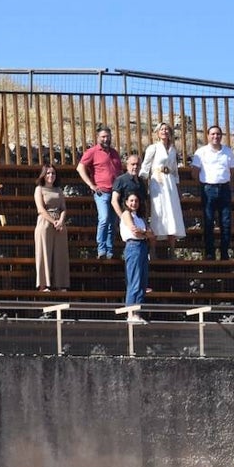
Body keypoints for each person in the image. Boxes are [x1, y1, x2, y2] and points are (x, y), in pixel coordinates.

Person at [190, 124, 234, 260]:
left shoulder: (228, 151)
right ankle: (210, 253)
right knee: (208, 221)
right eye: (213, 134)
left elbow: (232, 170)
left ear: (221, 136)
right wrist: (205, 182)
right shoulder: (201, 152)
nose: (215, 136)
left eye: (218, 134)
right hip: (208, 189)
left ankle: (224, 253)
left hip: (224, 189)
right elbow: (194, 172)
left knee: (226, 222)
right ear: (208, 136)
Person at [76, 126, 123, 259]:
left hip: (115, 192)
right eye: (103, 136)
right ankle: (101, 248)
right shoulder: (92, 152)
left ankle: (109, 250)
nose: (106, 139)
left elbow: (119, 172)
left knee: (113, 222)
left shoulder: (114, 153)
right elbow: (80, 168)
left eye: (108, 136)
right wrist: (91, 185)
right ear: (98, 138)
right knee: (104, 219)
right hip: (102, 192)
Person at [139, 121, 186, 249]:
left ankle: (172, 249)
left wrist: (177, 187)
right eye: (162, 129)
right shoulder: (153, 148)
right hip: (157, 182)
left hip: (170, 183)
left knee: (172, 212)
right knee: (158, 211)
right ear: (158, 133)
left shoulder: (172, 150)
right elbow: (145, 167)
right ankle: (153, 250)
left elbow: (175, 170)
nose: (164, 131)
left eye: (167, 129)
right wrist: (142, 184)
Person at [32, 164, 70, 291]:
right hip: (45, 222)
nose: (51, 176)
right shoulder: (39, 189)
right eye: (48, 173)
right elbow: (40, 209)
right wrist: (53, 221)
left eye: (53, 173)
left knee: (61, 254)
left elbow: (63, 208)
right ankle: (43, 285)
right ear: (43, 175)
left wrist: (60, 221)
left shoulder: (59, 190)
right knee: (44, 253)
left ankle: (60, 284)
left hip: (59, 223)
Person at [119, 191, 154, 323]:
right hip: (133, 246)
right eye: (131, 201)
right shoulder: (126, 214)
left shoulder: (141, 217)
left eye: (136, 201)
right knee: (134, 281)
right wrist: (145, 233)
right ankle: (130, 313)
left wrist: (144, 233)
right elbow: (134, 230)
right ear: (127, 202)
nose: (134, 203)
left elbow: (151, 234)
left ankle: (137, 313)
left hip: (143, 247)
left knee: (142, 282)